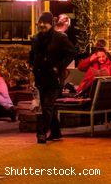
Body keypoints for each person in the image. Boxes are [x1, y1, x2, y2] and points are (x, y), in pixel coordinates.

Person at [30, 11, 76, 144]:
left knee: (47, 105)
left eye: (45, 23)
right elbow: (33, 54)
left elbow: (71, 52)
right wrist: (32, 66)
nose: (42, 25)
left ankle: (41, 133)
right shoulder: (36, 39)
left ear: (51, 24)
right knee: (47, 106)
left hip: (54, 78)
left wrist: (59, 67)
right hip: (40, 77)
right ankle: (56, 132)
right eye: (41, 22)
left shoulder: (60, 38)